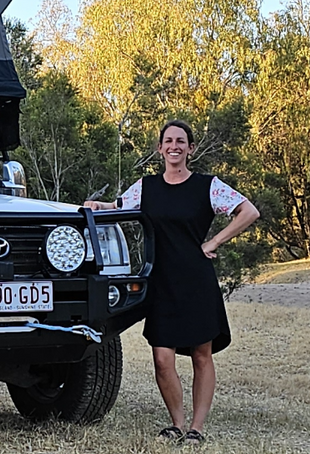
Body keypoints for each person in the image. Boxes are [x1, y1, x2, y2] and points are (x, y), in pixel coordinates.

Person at [84, 119, 259, 445]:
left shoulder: (208, 186)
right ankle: (176, 424)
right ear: (160, 148)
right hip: (161, 282)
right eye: (168, 141)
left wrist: (214, 242)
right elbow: (117, 207)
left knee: (200, 355)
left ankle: (197, 428)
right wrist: (97, 206)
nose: (174, 146)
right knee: (163, 358)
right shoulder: (146, 187)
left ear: (190, 148)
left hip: (196, 280)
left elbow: (249, 211)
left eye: (181, 141)